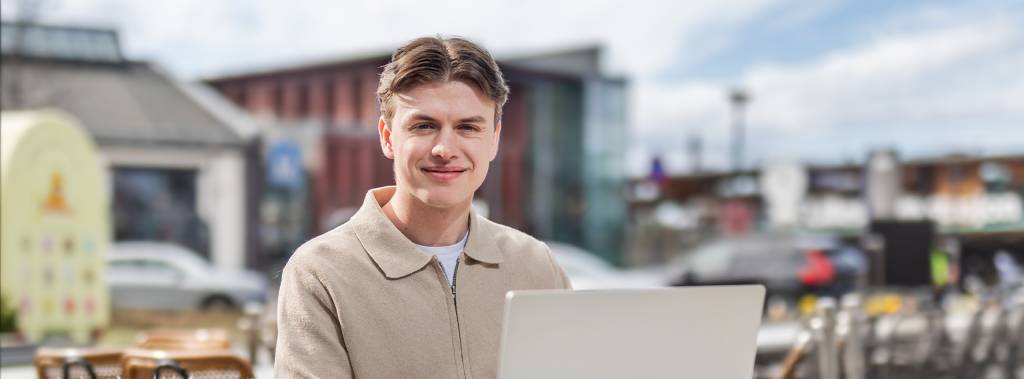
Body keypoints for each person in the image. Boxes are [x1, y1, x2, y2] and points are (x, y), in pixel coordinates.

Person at [274, 36, 572, 378]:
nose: (445, 148)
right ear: (387, 137)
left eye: (467, 127)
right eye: (424, 126)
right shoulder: (321, 274)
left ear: (494, 139)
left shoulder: (536, 266)